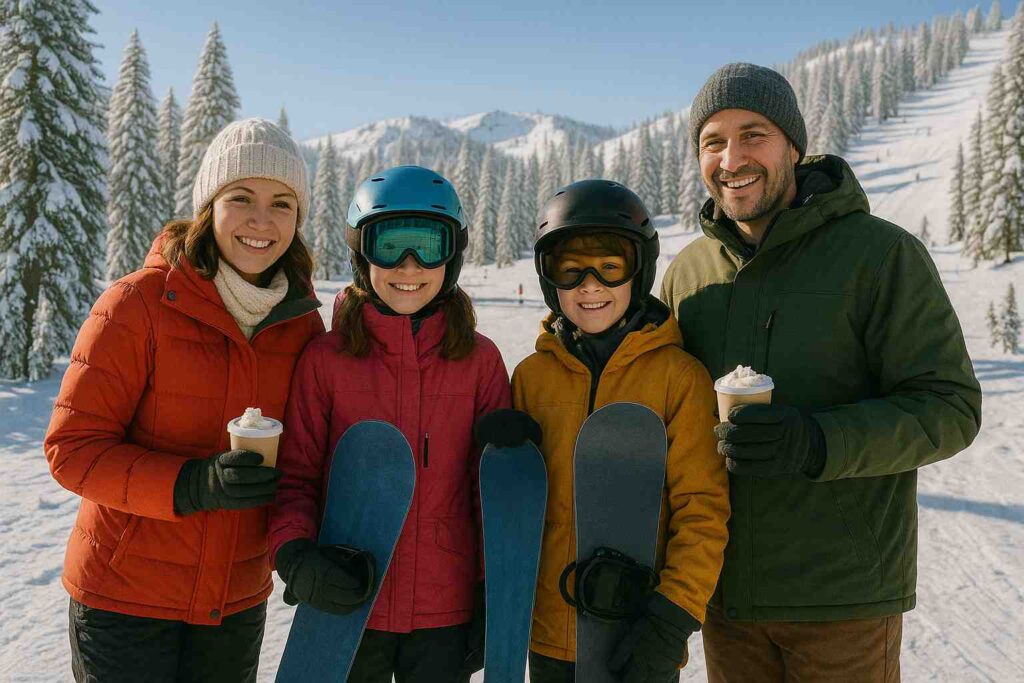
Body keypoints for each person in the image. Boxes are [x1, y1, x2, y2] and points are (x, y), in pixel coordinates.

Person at [660, 63, 983, 682]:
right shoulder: (689, 273)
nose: (732, 157)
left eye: (754, 134)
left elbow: (950, 408)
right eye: (713, 141)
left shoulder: (879, 255)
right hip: (726, 597)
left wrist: (818, 441)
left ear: (795, 146)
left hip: (843, 598)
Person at [44, 118, 324, 681]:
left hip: (235, 600)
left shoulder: (303, 325)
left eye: (282, 204)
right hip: (125, 600)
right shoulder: (138, 304)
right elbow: (72, 450)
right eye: (240, 197)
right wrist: (191, 484)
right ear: (208, 205)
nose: (261, 221)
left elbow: (309, 458)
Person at [476, 179, 730, 683]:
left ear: (640, 271)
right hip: (545, 630)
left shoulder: (678, 377)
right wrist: (496, 453)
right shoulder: (531, 376)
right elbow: (510, 508)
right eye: (570, 270)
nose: (589, 285)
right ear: (550, 281)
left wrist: (671, 617)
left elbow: (702, 509)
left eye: (610, 267)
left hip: (634, 633)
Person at [269, 165, 510, 683]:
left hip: (446, 611)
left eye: (428, 245)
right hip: (351, 602)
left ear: (454, 255)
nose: (409, 265)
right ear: (361, 255)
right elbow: (297, 474)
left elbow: (488, 491)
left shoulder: (480, 361)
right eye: (389, 246)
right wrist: (294, 554)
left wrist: (495, 596)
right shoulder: (326, 360)